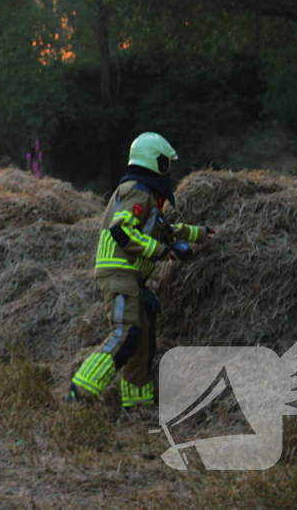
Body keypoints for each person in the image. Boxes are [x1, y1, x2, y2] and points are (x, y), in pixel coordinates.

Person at [69, 132, 213, 409]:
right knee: (127, 334)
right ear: (155, 161)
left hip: (131, 277)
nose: (168, 168)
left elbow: (166, 230)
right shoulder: (137, 190)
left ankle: (137, 405)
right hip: (119, 273)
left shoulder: (147, 195)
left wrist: (201, 233)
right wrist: (161, 251)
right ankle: (79, 394)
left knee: (143, 339)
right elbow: (121, 230)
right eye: (165, 161)